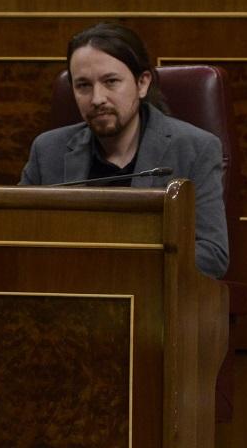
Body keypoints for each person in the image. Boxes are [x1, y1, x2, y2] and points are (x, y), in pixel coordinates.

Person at [19, 22, 229, 278]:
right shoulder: (47, 150)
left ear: (142, 83)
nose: (97, 98)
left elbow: (212, 254)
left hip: (153, 304)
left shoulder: (195, 148)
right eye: (83, 85)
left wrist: (113, 267)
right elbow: (19, 238)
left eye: (111, 82)